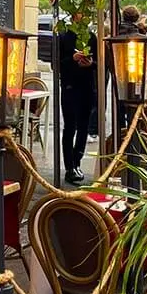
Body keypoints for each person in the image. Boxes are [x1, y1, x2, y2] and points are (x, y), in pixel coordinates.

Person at [57, 19, 97, 184]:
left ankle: (77, 161)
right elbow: (58, 64)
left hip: (87, 87)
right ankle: (69, 166)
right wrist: (72, 59)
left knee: (83, 127)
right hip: (70, 87)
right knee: (69, 127)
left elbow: (99, 64)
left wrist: (90, 63)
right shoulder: (64, 37)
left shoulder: (92, 37)